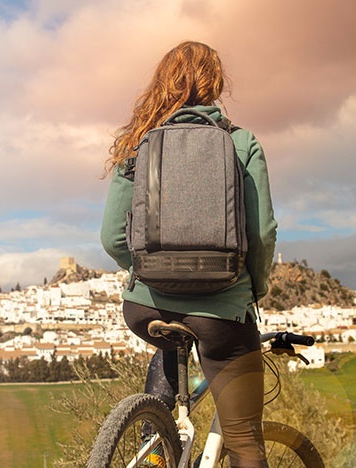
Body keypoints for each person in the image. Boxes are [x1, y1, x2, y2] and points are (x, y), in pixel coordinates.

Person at [99, 41, 278, 467]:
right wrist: (254, 289)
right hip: (222, 314)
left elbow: (111, 238)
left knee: (172, 337)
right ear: (216, 84)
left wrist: (146, 272)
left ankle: (156, 445)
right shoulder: (241, 143)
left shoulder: (139, 145)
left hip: (145, 308)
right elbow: (262, 232)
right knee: (246, 442)